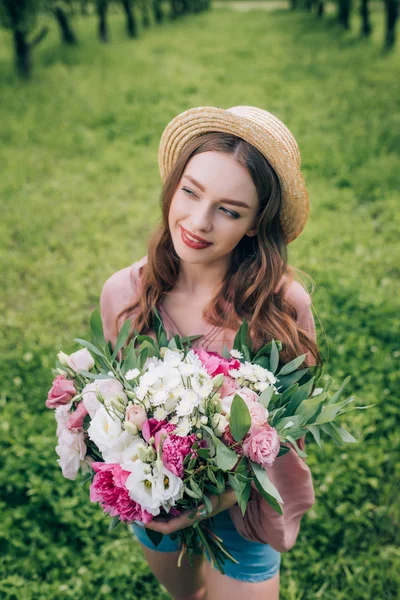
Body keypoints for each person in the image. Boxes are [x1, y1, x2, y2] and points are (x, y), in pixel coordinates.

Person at [100, 106, 322, 600]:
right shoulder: (124, 296)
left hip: (246, 512)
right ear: (174, 185)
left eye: (229, 209)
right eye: (191, 192)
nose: (198, 222)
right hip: (157, 510)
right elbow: (115, 412)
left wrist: (208, 504)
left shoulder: (282, 308)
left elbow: (290, 433)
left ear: (253, 224)